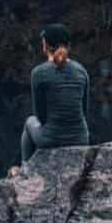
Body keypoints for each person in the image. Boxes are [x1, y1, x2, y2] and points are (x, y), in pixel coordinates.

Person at [11, 23, 90, 173]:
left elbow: (40, 116)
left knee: (30, 121)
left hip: (52, 139)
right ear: (69, 46)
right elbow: (84, 111)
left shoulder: (38, 73)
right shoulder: (82, 71)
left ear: (45, 46)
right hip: (81, 139)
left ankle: (26, 169)